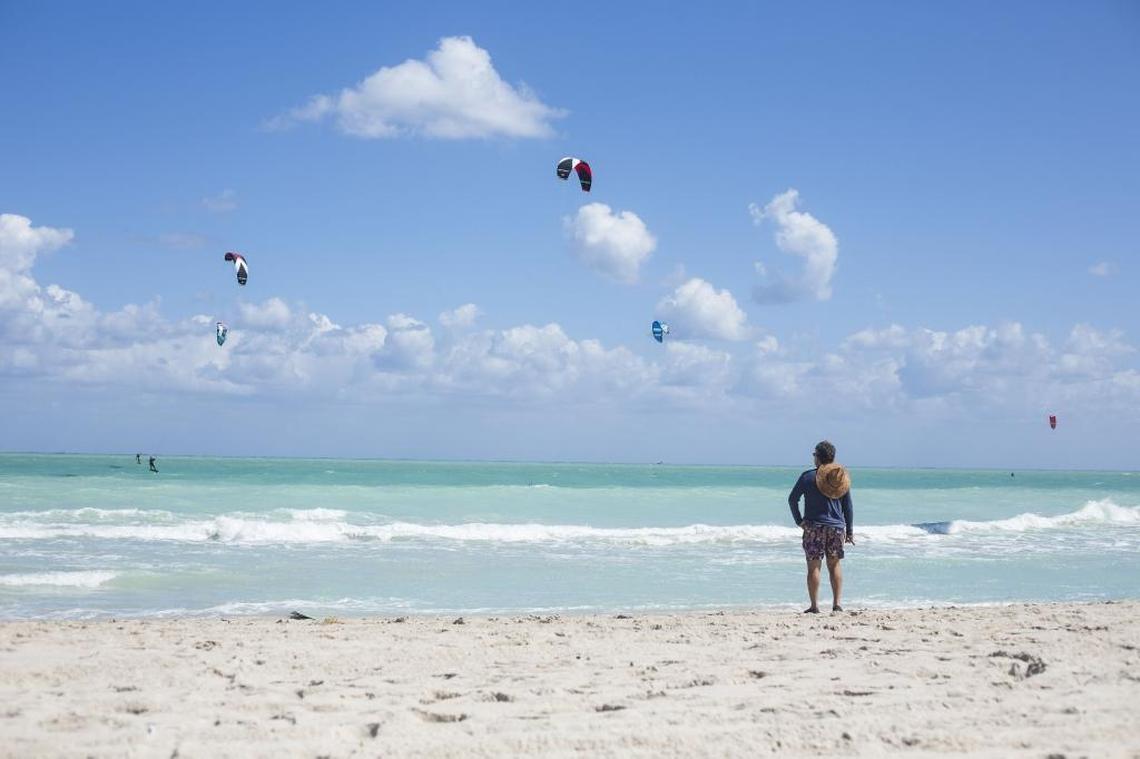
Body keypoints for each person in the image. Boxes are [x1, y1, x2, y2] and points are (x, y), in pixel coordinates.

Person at [788, 441, 853, 613]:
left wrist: (799, 521)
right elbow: (848, 506)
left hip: (813, 527)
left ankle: (815, 606)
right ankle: (837, 604)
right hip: (837, 527)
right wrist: (850, 531)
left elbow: (792, 499)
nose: (813, 458)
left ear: (818, 457)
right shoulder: (840, 478)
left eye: (814, 455)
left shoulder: (807, 477)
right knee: (835, 565)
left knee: (814, 566)